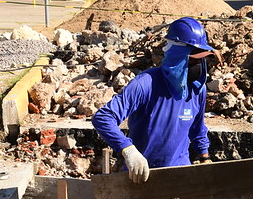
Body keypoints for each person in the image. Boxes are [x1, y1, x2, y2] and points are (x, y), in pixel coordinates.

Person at [92, 17, 216, 184]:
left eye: (202, 60)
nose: (199, 65)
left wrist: (205, 158)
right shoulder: (146, 83)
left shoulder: (197, 89)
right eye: (194, 60)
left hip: (180, 175)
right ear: (177, 56)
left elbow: (197, 127)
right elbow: (103, 117)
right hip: (144, 177)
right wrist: (128, 150)